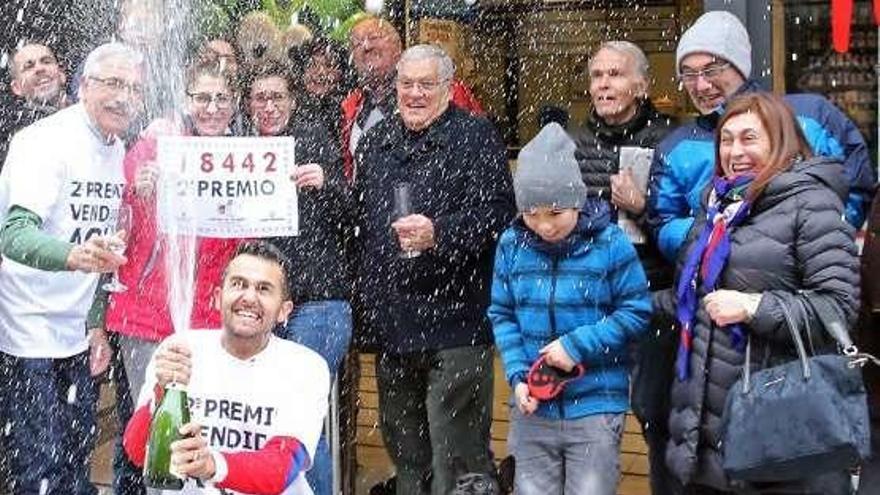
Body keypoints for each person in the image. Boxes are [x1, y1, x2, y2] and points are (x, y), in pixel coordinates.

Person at [656, 92, 860, 494]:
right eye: (726, 140)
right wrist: (618, 305)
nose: (735, 151)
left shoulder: (812, 204)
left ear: (781, 140)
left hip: (779, 436)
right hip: (706, 436)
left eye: (749, 138)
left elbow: (837, 308)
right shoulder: (716, 210)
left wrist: (754, 307)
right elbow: (693, 301)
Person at [352, 44, 514, 495]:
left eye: (427, 84)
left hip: (456, 323)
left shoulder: (476, 137)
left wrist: (440, 233)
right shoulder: (376, 143)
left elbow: (500, 215)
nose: (416, 94)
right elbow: (362, 226)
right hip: (395, 326)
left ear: (448, 88)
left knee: (459, 462)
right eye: (408, 84)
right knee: (407, 458)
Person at [92, 60, 243, 495]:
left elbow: (247, 237)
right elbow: (117, 225)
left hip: (210, 322)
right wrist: (135, 190)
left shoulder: (240, 158)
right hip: (146, 316)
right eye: (202, 98)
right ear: (185, 101)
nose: (211, 108)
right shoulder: (153, 145)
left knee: (199, 428)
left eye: (221, 99)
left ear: (233, 105)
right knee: (144, 428)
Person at [0, 41, 143, 494]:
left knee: (76, 460)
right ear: (83, 86)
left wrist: (96, 323)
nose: (122, 96)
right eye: (112, 83)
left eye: (133, 88)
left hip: (75, 334)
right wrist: (72, 256)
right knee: (40, 466)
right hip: (25, 329)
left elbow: (105, 252)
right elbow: (13, 235)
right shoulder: (44, 142)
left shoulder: (119, 150)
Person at [489, 122, 651, 495]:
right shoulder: (511, 245)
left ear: (577, 200)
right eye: (531, 213)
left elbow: (636, 311)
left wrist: (577, 346)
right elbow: (502, 314)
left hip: (595, 405)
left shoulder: (610, 243)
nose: (544, 225)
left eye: (556, 212)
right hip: (533, 405)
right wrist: (516, 376)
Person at [647, 10, 876, 265]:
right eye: (688, 74)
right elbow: (663, 225)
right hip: (715, 294)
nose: (700, 85)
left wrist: (808, 245)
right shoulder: (675, 147)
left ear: (740, 67)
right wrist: (722, 241)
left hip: (803, 288)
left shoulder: (812, 116)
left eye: (711, 70)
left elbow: (856, 188)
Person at [123, 240, 330, 495]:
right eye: (238, 284)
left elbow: (282, 467)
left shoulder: (305, 367)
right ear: (218, 298)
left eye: (264, 289)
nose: (249, 297)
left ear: (283, 311)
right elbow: (135, 452)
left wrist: (212, 465)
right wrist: (159, 393)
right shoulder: (180, 349)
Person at [569, 39, 678, 494]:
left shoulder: (671, 140)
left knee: (659, 417)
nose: (604, 84)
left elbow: (689, 230)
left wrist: (644, 205)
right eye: (597, 76)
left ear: (641, 84)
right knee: (590, 423)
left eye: (614, 74)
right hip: (592, 304)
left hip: (653, 299)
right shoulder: (573, 142)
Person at [246, 61, 350, 495]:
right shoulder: (241, 149)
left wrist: (326, 185)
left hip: (316, 304)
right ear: (248, 105)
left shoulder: (315, 142)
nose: (268, 106)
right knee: (263, 415)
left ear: (293, 100)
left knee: (301, 418)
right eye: (259, 97)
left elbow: (353, 217)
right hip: (262, 305)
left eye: (277, 97)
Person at [341, 15, 483, 182]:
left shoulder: (446, 91)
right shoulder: (350, 107)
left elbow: (477, 152)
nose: (366, 46)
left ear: (398, 47)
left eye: (374, 38)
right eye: (357, 43)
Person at [0, 42, 69, 166]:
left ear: (61, 74)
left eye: (46, 61)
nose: (39, 69)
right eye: (28, 66)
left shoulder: (92, 115)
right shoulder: (14, 135)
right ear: (17, 87)